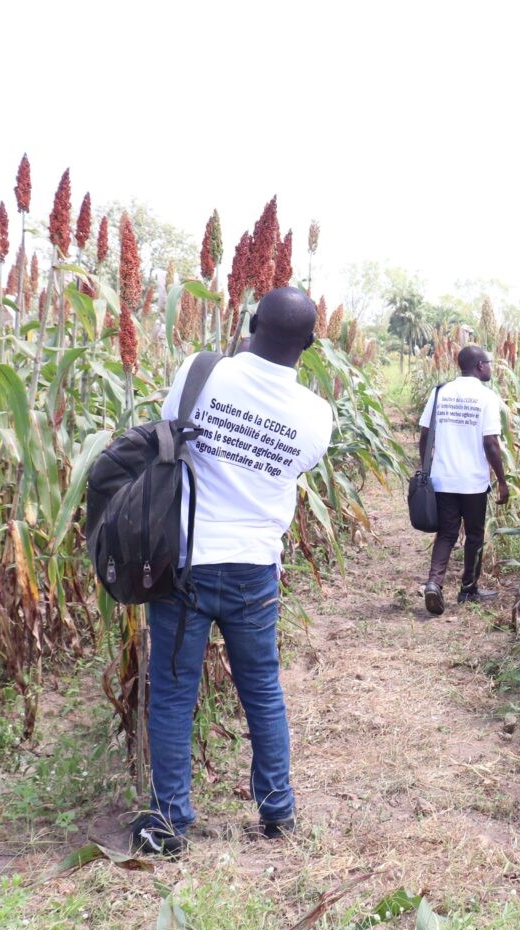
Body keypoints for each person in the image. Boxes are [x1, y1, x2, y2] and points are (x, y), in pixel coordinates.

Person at [134, 287, 334, 858]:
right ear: (310, 345)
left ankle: (170, 821)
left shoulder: (201, 372)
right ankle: (278, 811)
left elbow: (169, 434)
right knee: (263, 691)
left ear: (250, 324)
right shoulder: (315, 415)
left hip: (186, 563)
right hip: (253, 569)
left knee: (173, 695)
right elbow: (299, 463)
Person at [420, 345, 509, 615]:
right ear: (480, 366)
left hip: (443, 477)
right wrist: (502, 481)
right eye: (489, 363)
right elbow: (491, 443)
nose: (491, 368)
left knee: (446, 533)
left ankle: (434, 583)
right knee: (474, 535)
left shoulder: (440, 392)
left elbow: (425, 435)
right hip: (472, 481)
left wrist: (427, 466)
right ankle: (468, 588)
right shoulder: (486, 397)